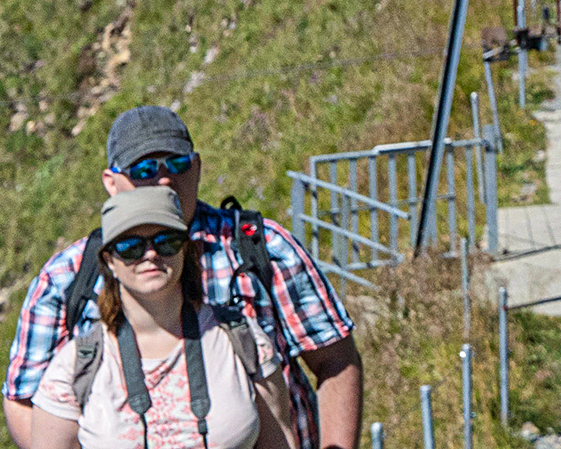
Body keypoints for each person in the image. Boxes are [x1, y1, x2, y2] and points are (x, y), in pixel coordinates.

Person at [6, 108, 361, 449]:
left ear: (198, 167)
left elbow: (335, 360)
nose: (164, 179)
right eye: (143, 168)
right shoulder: (65, 279)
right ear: (111, 182)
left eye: (177, 164)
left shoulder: (264, 248)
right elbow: (24, 398)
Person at [26, 188, 291, 449]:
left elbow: (279, 439)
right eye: (130, 247)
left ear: (185, 250)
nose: (151, 254)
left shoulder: (244, 342)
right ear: (109, 261)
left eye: (167, 241)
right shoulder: (75, 368)